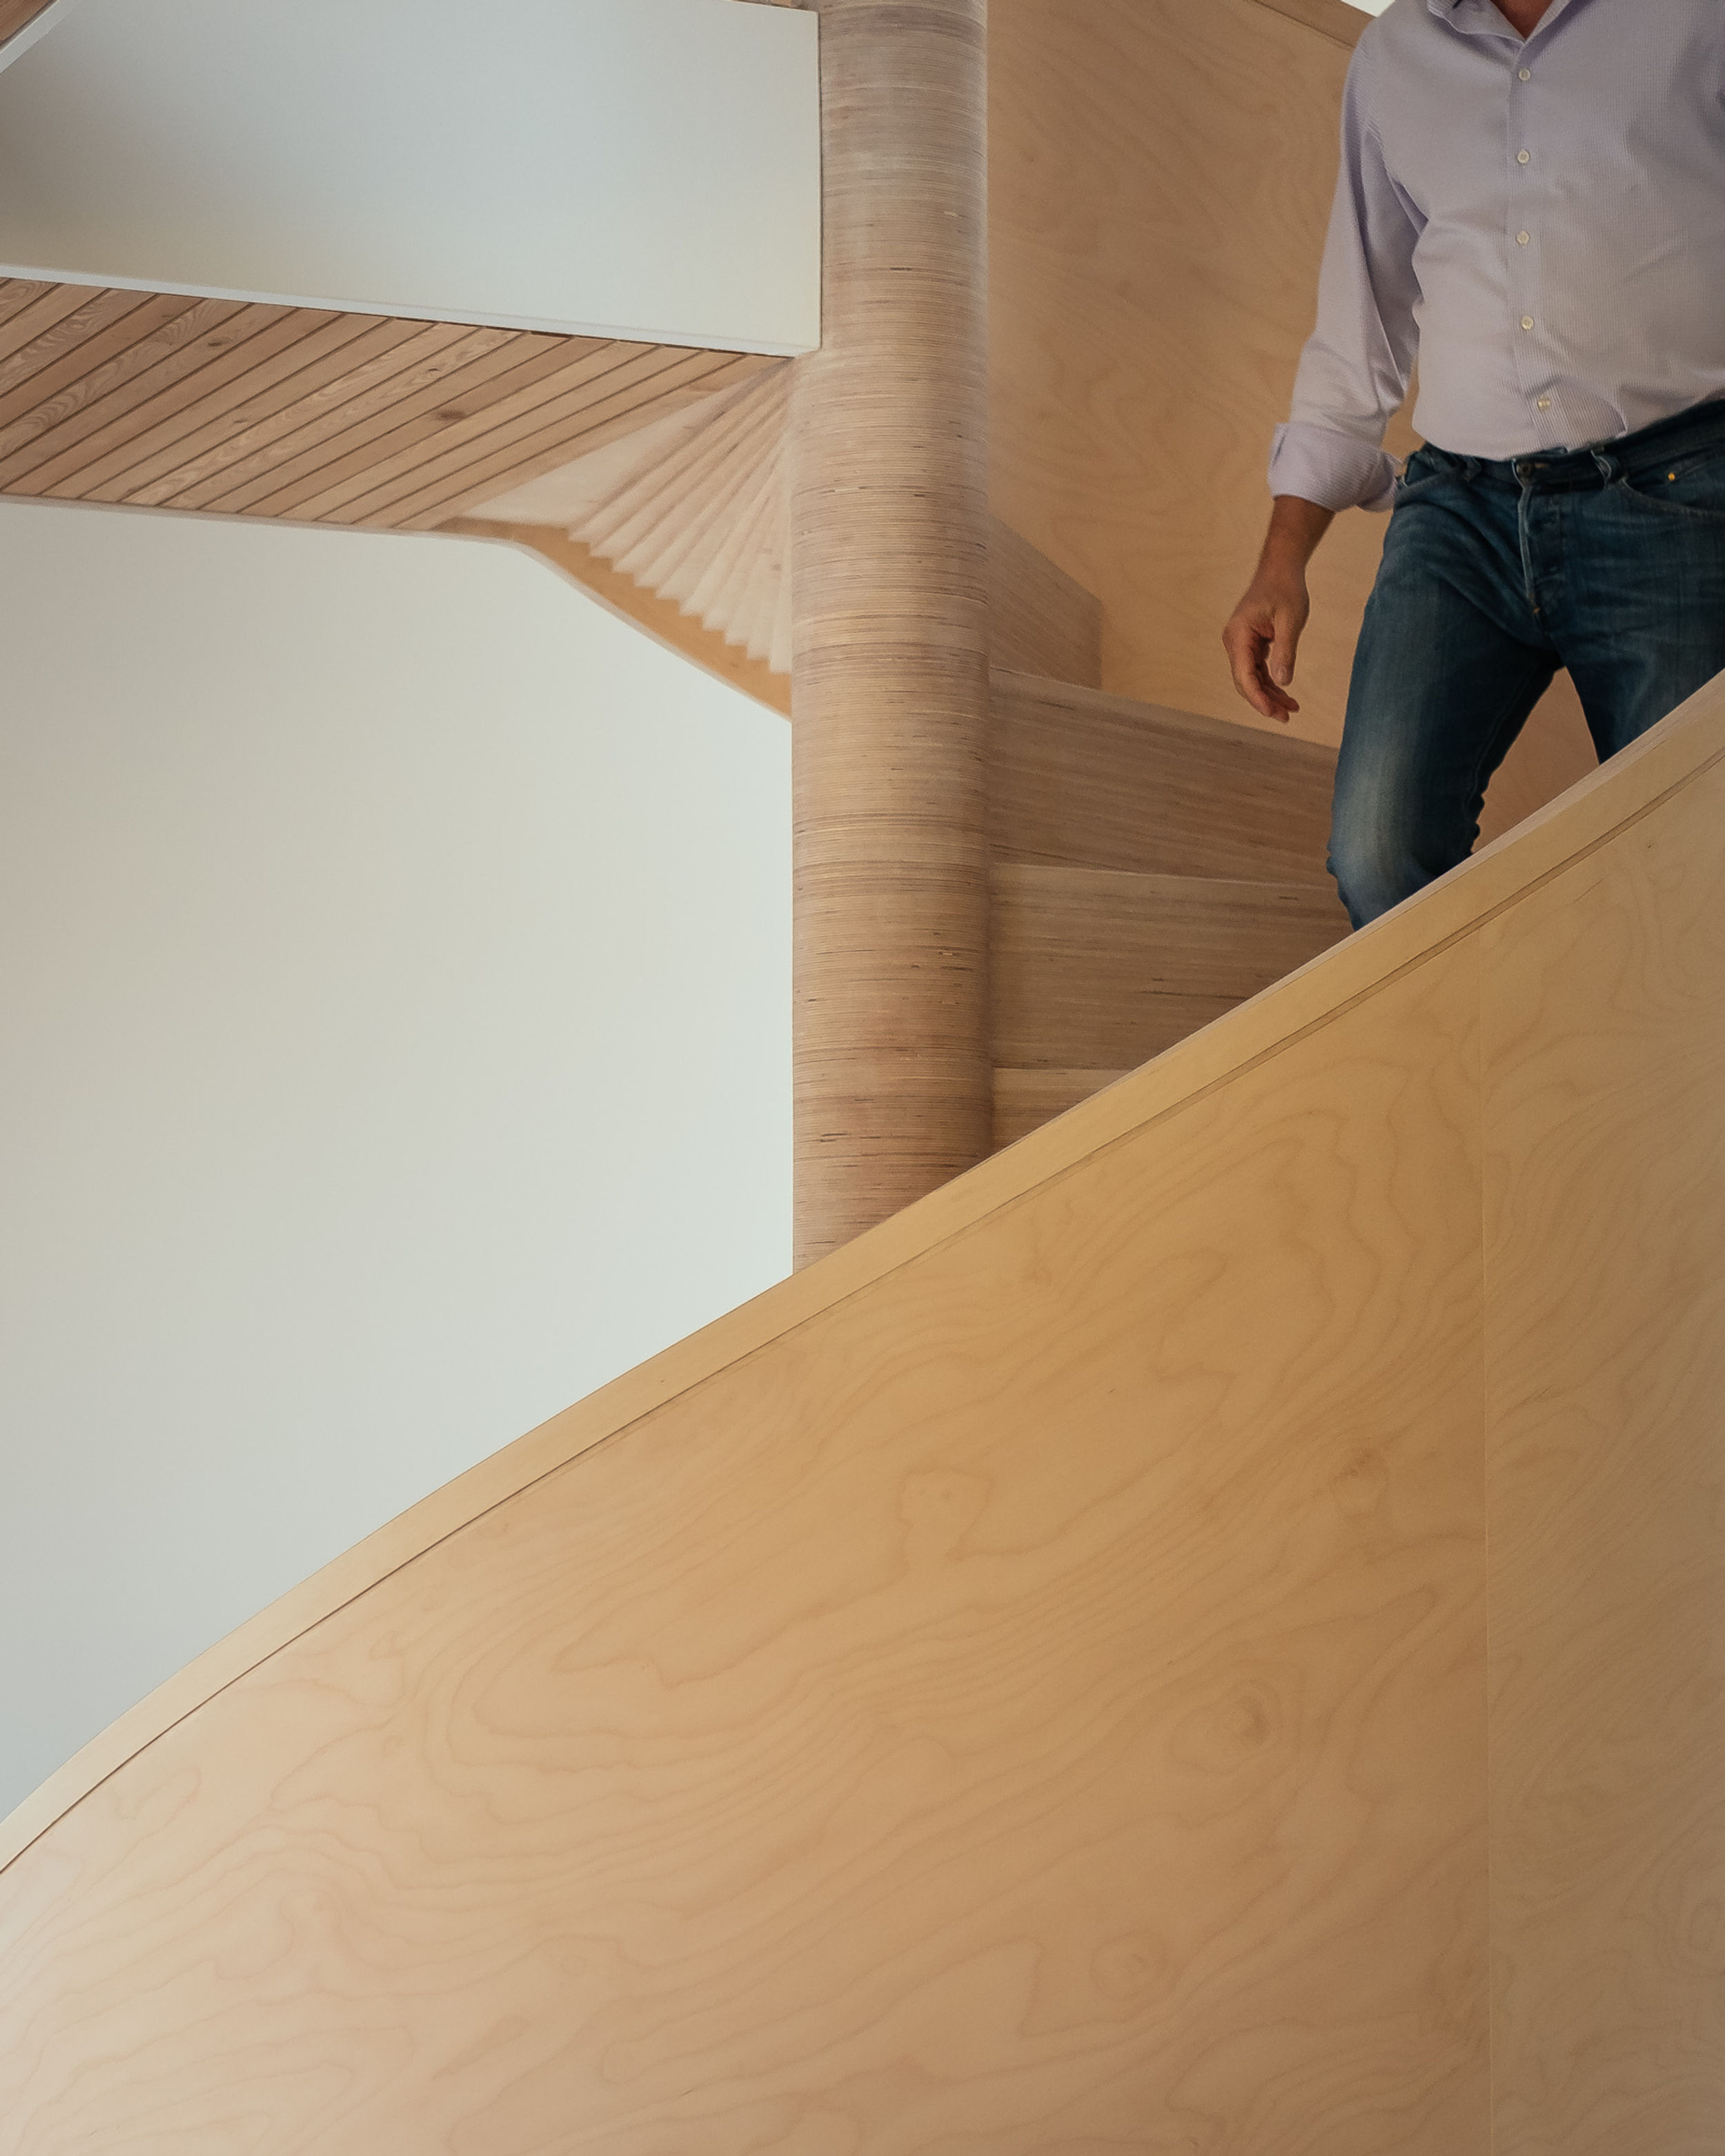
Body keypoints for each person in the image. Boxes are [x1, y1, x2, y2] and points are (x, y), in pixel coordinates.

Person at [1222, 0, 1725, 929]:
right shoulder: (1394, 58)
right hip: (1462, 513)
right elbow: (1359, 332)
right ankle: (1492, 1065)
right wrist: (1281, 558)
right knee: (1378, 851)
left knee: (1689, 865)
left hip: (1675, 497)